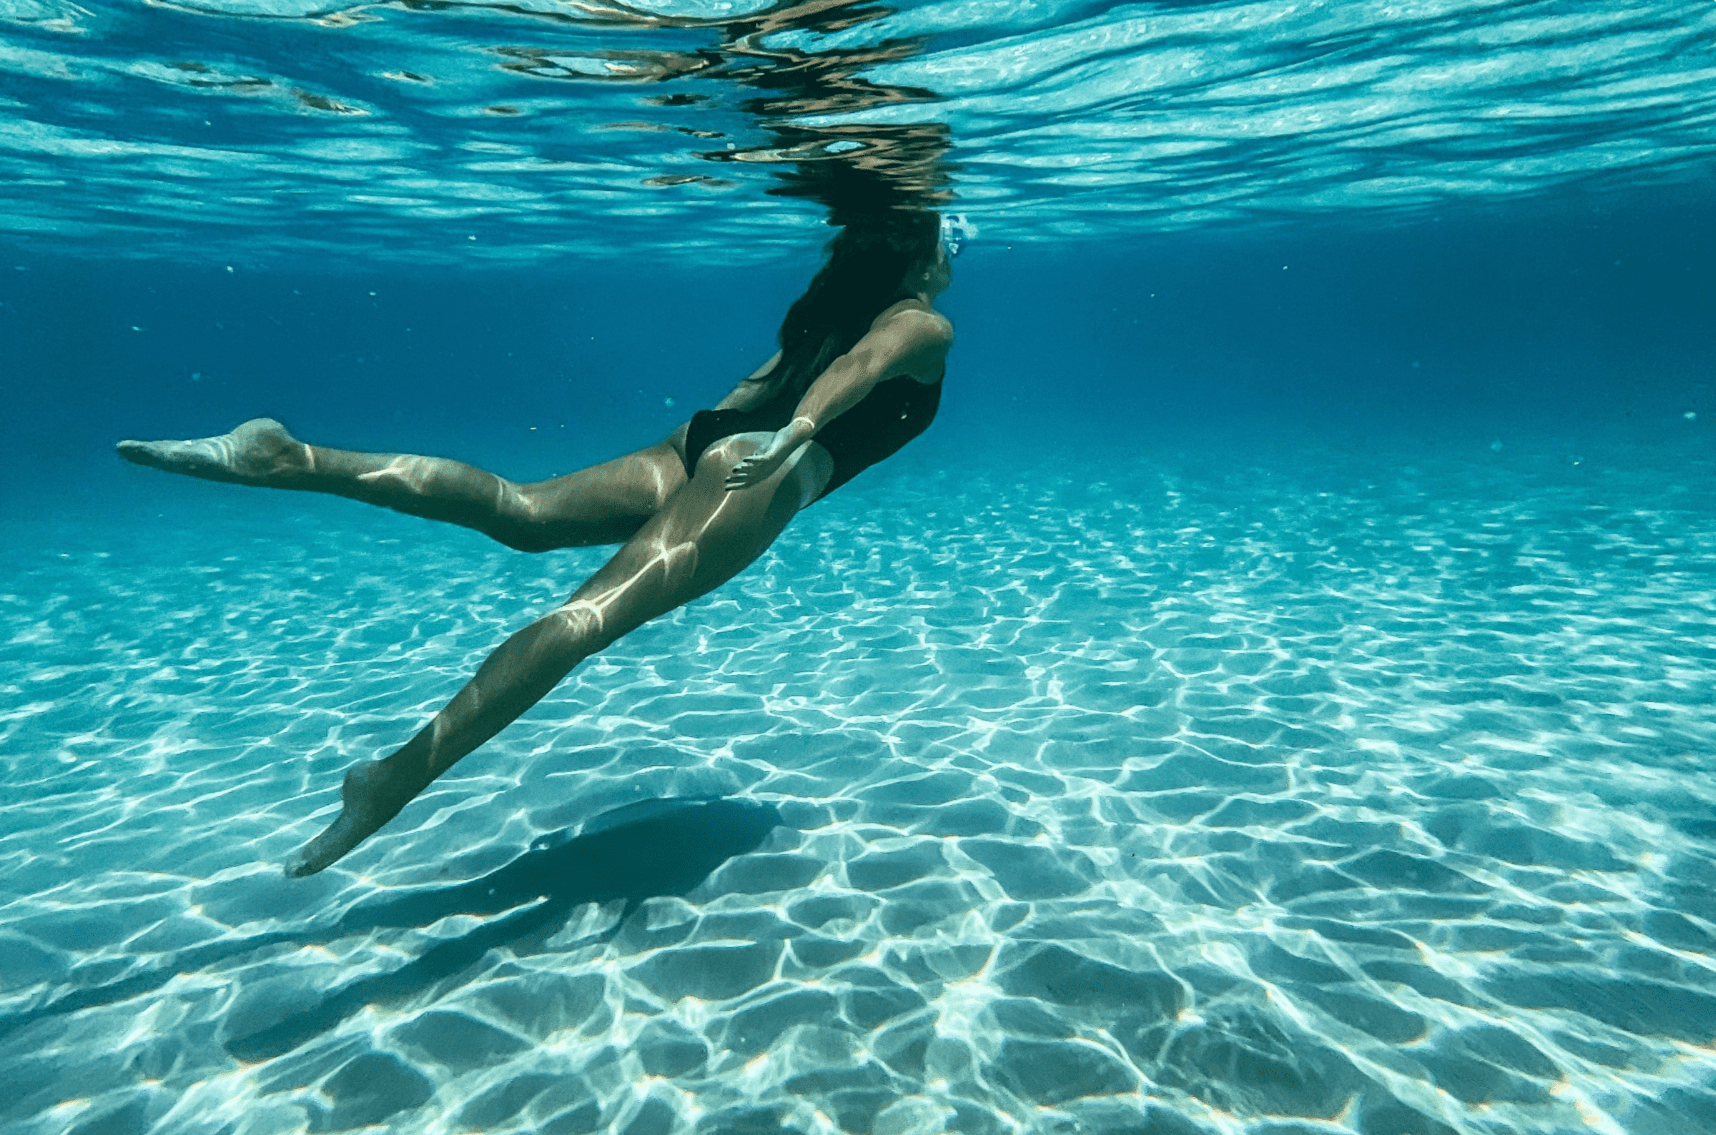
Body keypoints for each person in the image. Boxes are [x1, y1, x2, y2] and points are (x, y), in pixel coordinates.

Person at [117, 210, 955, 877]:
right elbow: (866, 367)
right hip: (760, 467)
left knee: (520, 513)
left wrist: (727, 442)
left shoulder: (829, 304)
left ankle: (285, 455)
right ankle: (394, 781)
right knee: (587, 619)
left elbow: (762, 384)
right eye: (949, 237)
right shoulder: (924, 322)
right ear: (921, 251)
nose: (956, 252)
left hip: (706, 440)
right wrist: (793, 437)